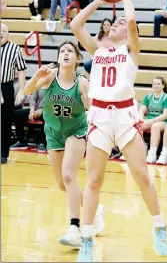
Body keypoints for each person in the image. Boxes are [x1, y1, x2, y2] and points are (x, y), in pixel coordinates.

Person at [70, 0, 167, 262]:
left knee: (142, 175)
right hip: (99, 115)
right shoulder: (97, 50)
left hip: (125, 114)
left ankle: (159, 227)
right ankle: (87, 238)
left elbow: (132, 23)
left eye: (121, 23)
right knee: (94, 179)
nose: (118, 24)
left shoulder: (132, 50)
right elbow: (75, 24)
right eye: (114, 22)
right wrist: (100, 0)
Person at [24, 41, 105, 248]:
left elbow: (91, 107)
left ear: (78, 58)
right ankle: (94, 207)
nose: (66, 53)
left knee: (69, 175)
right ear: (58, 58)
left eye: (70, 51)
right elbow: (27, 90)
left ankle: (75, 228)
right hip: (52, 134)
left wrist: (88, 100)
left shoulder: (82, 81)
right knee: (63, 185)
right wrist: (37, 76)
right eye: (62, 51)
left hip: (75, 131)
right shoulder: (50, 76)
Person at [1, 23, 27, 164]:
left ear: (8, 34)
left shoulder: (14, 49)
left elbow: (21, 70)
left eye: (4, 31)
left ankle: (3, 153)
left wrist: (21, 90)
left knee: (5, 121)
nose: (1, 33)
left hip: (6, 87)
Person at [139, 77, 167, 163]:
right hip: (150, 120)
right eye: (154, 84)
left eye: (158, 84)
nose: (156, 86)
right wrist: (140, 119)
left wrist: (153, 120)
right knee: (137, 126)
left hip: (163, 121)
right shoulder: (148, 97)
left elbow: (166, 115)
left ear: (163, 85)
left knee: (155, 126)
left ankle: (152, 154)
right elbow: (141, 110)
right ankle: (137, 151)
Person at [10, 88, 46, 153]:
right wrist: (32, 110)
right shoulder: (39, 84)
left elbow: (55, 102)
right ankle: (22, 141)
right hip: (36, 110)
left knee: (47, 116)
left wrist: (43, 110)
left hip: (49, 111)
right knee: (17, 113)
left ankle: (42, 142)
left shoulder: (57, 85)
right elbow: (33, 99)